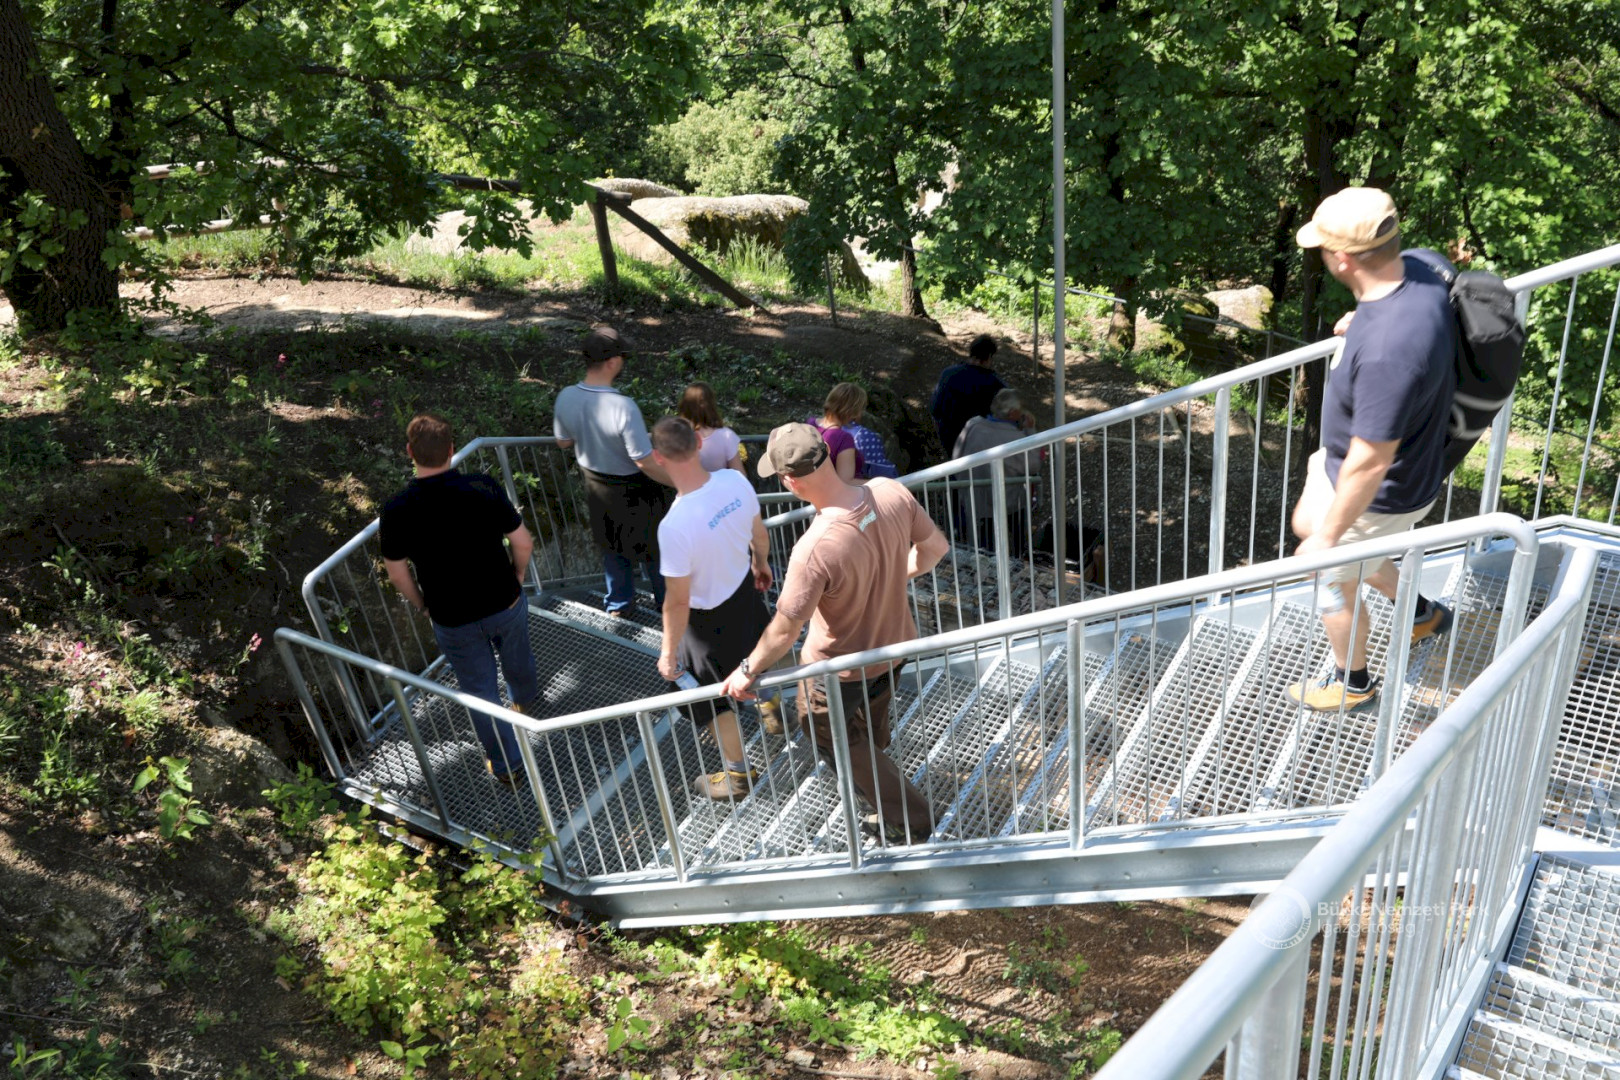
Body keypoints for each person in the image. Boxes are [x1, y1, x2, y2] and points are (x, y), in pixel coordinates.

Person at [721, 423, 950, 845]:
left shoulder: (814, 549)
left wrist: (747, 670)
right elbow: (935, 548)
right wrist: (887, 578)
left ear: (790, 481)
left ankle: (911, 819)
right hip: (893, 646)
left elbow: (785, 631)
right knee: (871, 724)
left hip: (835, 670)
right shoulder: (888, 491)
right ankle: (876, 784)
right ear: (827, 454)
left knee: (833, 738)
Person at [1287, 187, 1456, 712]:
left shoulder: (1388, 352)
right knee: (1305, 523)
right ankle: (1423, 614)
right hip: (1356, 466)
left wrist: (1331, 539)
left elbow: (1372, 459)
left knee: (1327, 571)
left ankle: (1352, 682)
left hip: (1381, 490)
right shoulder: (1423, 269)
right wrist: (1363, 317)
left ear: (1342, 258)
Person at [380, 414, 538, 785]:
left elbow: (397, 573)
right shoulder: (482, 486)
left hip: (452, 617)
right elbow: (523, 542)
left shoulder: (396, 508)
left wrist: (422, 604)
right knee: (517, 655)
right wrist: (517, 575)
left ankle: (508, 766)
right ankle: (525, 701)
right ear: (451, 450)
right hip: (505, 601)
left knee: (480, 693)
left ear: (410, 452)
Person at [649, 418, 784, 799]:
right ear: (698, 441)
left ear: (658, 457)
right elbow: (759, 534)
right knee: (755, 655)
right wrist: (760, 563)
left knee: (711, 701)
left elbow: (677, 600)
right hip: (742, 591)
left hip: (703, 622)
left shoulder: (674, 526)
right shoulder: (734, 482)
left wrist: (668, 653)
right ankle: (773, 710)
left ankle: (739, 775)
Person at [551, 325, 672, 616]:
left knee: (612, 546)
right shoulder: (623, 406)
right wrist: (679, 483)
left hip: (596, 488)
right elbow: (643, 460)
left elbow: (563, 441)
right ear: (613, 362)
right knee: (656, 550)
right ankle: (668, 604)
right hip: (636, 491)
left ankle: (619, 604)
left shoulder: (566, 396)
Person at [951, 387, 1045, 555]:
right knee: (1016, 540)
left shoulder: (973, 424)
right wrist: (1030, 430)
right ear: (1013, 413)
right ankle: (1018, 557)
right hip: (1006, 502)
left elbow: (956, 456)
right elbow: (1034, 465)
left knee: (984, 544)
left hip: (973, 498)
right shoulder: (1013, 439)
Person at [931, 333, 1029, 457]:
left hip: (950, 442)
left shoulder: (948, 374)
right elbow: (1013, 418)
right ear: (989, 357)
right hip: (982, 447)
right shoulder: (996, 385)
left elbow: (935, 410)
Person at [677, 382, 746, 475]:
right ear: (712, 405)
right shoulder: (727, 436)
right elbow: (740, 476)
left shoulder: (677, 436)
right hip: (720, 484)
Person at [807, 383, 867, 482]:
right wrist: (882, 483)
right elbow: (846, 482)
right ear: (854, 411)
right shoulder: (843, 438)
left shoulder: (810, 424)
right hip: (833, 491)